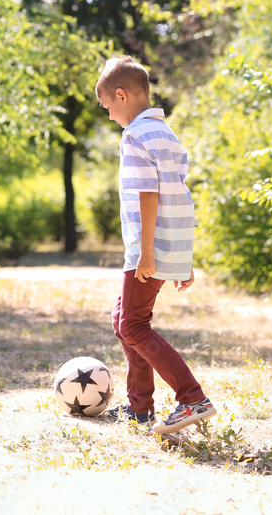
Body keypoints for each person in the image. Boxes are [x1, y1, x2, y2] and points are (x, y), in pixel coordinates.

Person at [95, 55, 217, 434]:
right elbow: (178, 196)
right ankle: (140, 409)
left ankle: (191, 397)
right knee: (124, 321)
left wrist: (147, 251)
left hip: (147, 249)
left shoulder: (135, 136)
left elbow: (149, 194)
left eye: (108, 108)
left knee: (132, 325)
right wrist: (181, 257)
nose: (110, 117)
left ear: (121, 96)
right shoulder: (166, 133)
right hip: (168, 242)